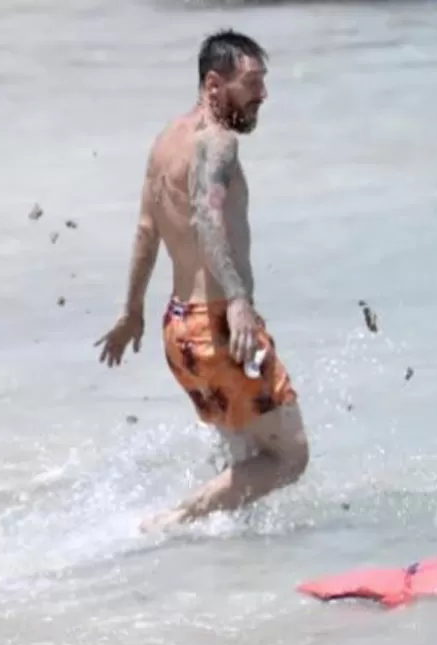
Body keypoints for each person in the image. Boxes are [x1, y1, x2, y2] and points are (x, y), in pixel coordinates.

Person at [94, 29, 309, 533]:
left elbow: (147, 230)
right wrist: (237, 300)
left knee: (247, 449)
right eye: (252, 83)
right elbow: (207, 219)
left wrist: (132, 313)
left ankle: (228, 560)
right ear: (214, 85)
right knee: (290, 457)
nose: (263, 95)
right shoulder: (219, 143)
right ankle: (173, 520)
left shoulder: (166, 140)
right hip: (217, 327)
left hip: (179, 330)